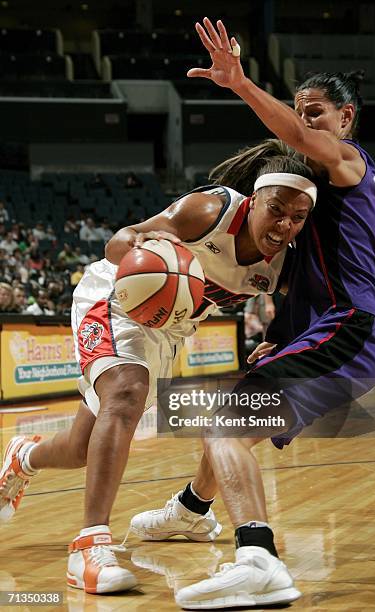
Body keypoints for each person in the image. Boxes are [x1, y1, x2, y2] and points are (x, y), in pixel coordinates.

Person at [130, 19, 375, 610]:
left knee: (224, 413)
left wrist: (242, 84)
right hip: (339, 332)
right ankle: (193, 512)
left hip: (351, 330)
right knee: (235, 411)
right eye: (302, 111)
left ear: (346, 120)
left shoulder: (350, 164)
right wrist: (282, 336)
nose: (306, 124)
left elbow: (297, 138)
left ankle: (258, 558)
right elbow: (311, 280)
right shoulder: (309, 209)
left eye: (316, 113)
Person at [0, 143, 317, 595]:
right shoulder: (209, 209)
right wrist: (144, 245)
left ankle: (23, 456)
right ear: (253, 201)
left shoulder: (286, 260)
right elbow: (117, 244)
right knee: (127, 393)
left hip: (168, 330)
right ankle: (89, 547)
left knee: (81, 450)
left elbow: (296, 314)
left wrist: (281, 341)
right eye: (276, 210)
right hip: (117, 295)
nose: (285, 224)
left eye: (298, 217)